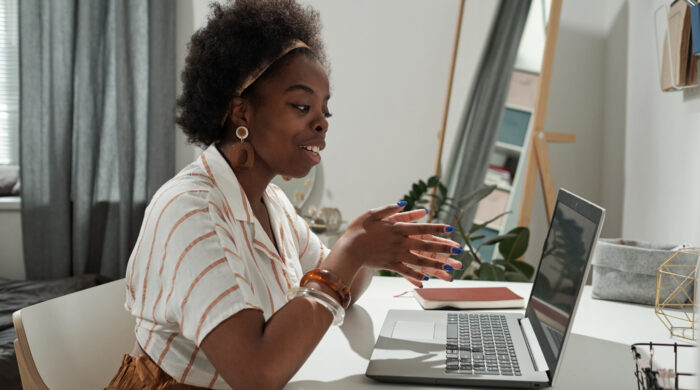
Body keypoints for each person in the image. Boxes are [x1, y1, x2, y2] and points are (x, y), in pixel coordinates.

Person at [108, 1, 463, 389]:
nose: (322, 123)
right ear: (242, 113)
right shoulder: (190, 211)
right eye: (301, 105)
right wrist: (351, 254)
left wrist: (364, 249)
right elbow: (255, 373)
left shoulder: (270, 204)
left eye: (326, 111)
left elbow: (341, 288)